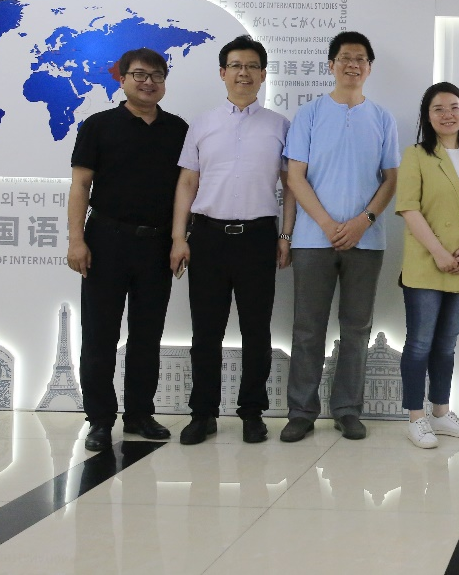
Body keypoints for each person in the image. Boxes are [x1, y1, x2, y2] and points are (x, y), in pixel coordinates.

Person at [170, 36, 294, 446]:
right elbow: (187, 183)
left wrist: (285, 235)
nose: (244, 73)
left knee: (257, 331)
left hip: (258, 237)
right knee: (206, 333)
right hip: (207, 237)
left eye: (252, 66)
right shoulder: (202, 124)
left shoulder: (280, 125)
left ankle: (252, 413)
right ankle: (202, 413)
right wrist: (179, 237)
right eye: (236, 65)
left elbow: (291, 186)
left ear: (263, 74)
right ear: (222, 72)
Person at [279, 31, 400, 443]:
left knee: (357, 328)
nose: (353, 64)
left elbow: (390, 179)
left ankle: (348, 410)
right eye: (345, 57)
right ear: (331, 65)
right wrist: (328, 225)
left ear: (369, 67)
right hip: (313, 239)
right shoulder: (310, 114)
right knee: (307, 328)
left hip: (366, 240)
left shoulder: (382, 118)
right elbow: (295, 177)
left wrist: (363, 221)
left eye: (361, 58)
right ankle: (301, 411)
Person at [67, 48, 188, 451]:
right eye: (139, 75)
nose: (148, 82)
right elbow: (80, 186)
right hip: (106, 240)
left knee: (147, 335)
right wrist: (76, 239)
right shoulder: (98, 125)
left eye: (157, 75)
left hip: (156, 243)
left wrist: (178, 238)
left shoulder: (178, 129)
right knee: (100, 334)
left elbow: (184, 190)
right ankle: (100, 419)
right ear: (122, 79)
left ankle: (139, 413)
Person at [395, 82, 459, 449]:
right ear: (427, 116)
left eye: (454, 107)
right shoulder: (416, 155)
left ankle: (441, 412)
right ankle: (415, 418)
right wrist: (438, 252)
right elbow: (408, 207)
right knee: (419, 342)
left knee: (447, 344)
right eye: (438, 108)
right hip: (426, 260)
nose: (448, 114)